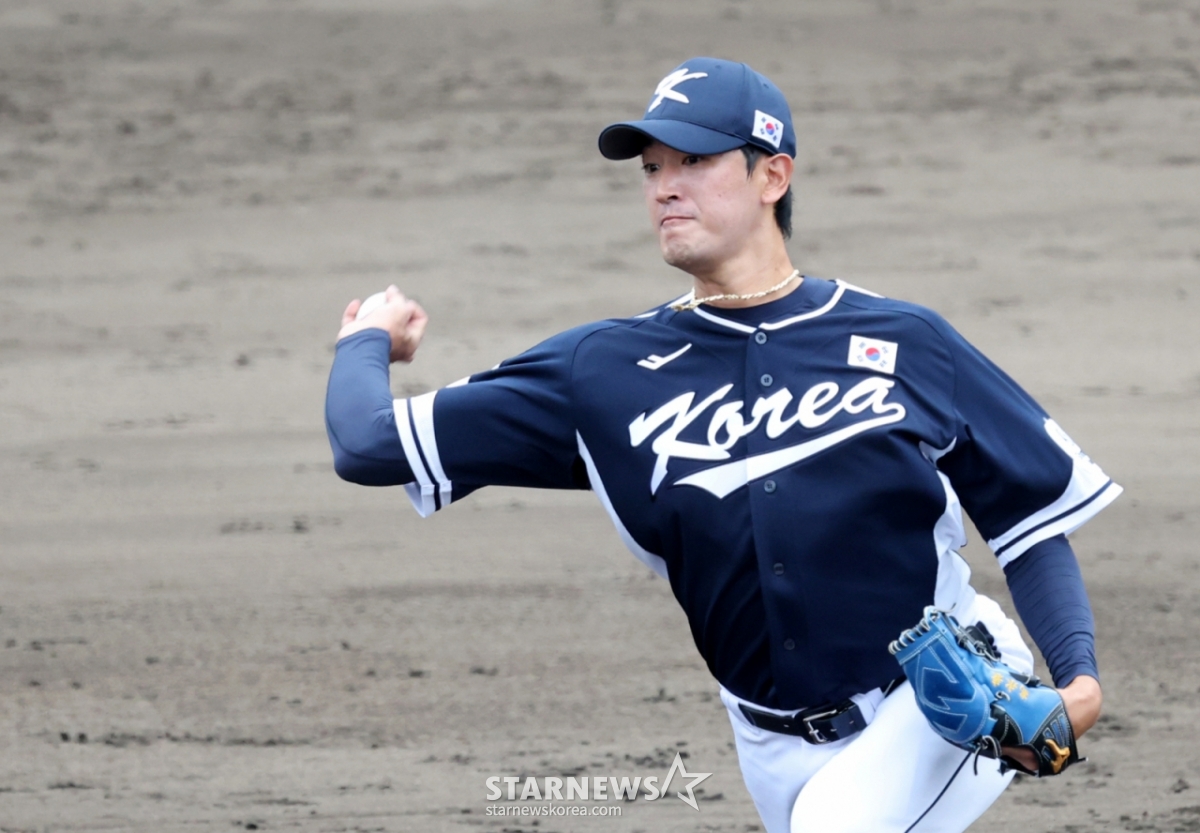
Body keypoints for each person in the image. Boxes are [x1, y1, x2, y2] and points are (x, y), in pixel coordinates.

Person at [325, 57, 1119, 833]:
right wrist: (365, 339)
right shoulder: (601, 371)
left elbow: (1030, 519)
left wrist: (1078, 688)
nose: (665, 186)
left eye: (695, 161)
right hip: (767, 745)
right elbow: (367, 443)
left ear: (772, 176)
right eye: (651, 167)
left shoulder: (907, 340)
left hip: (944, 703)